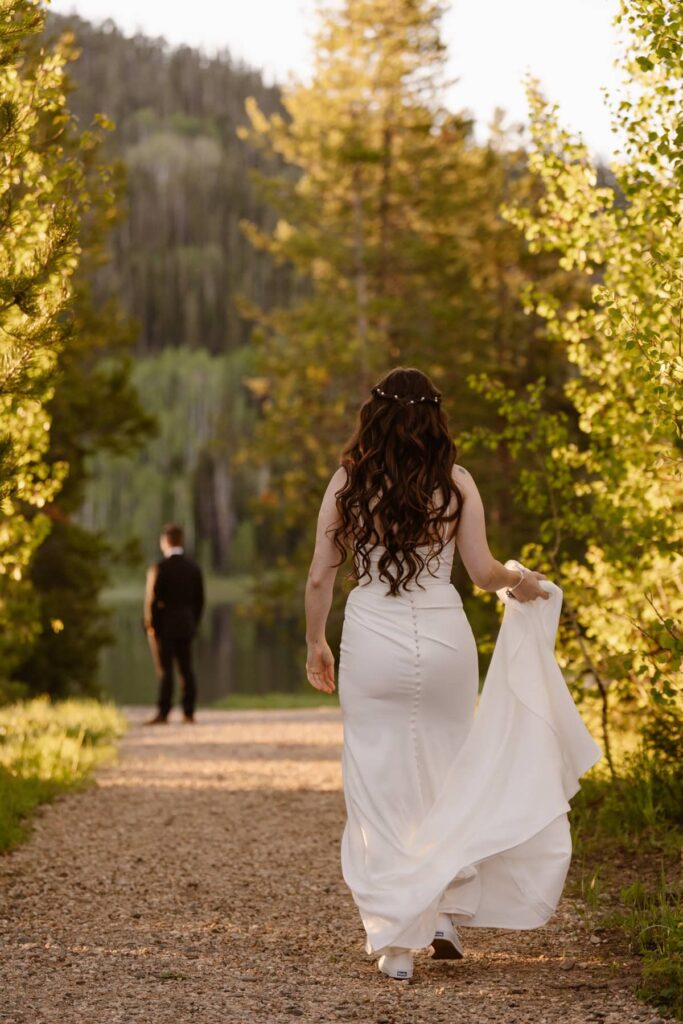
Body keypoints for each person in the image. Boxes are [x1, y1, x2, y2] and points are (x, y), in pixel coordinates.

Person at [304, 366, 600, 981]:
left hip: (372, 639)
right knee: (447, 773)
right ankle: (439, 916)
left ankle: (395, 942)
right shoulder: (456, 485)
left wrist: (316, 643)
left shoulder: (347, 484)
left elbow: (319, 576)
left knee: (379, 781)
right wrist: (529, 582)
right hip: (443, 638)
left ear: (373, 416)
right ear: (435, 418)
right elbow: (485, 573)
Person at [144, 524, 205, 725]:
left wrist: (151, 624)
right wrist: (193, 621)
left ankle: (163, 712)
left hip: (164, 628)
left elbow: (152, 600)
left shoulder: (159, 567)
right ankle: (189, 712)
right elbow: (199, 600)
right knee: (187, 669)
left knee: (165, 670)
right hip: (186, 625)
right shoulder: (193, 568)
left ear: (165, 541)